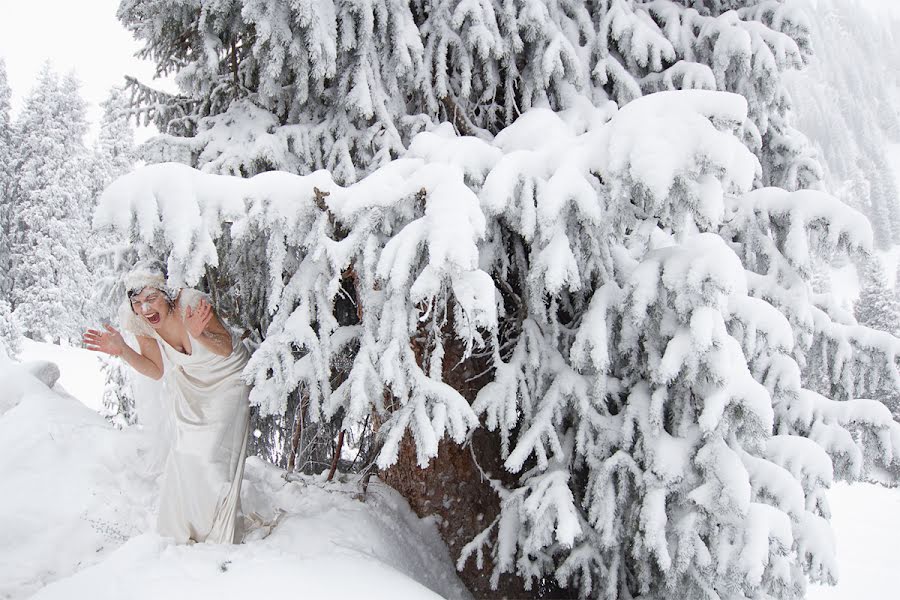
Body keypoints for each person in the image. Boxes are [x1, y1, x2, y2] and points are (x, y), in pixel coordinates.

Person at [83, 261, 251, 544]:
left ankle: (217, 529)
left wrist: (199, 334)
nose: (145, 308)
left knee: (212, 455)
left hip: (228, 378)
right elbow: (156, 369)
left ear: (167, 293)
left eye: (151, 299)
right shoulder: (138, 319)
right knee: (185, 452)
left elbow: (225, 348)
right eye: (137, 302)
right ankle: (189, 527)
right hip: (190, 384)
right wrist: (123, 350)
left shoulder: (191, 303)